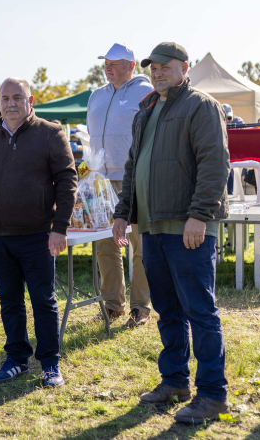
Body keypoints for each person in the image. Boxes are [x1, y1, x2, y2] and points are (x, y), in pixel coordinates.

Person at [111, 42, 230, 423]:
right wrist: (121, 212)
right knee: (168, 310)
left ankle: (212, 394)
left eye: (166, 66)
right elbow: (133, 166)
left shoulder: (201, 105)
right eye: (153, 67)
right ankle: (175, 381)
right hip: (152, 226)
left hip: (189, 226)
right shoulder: (147, 108)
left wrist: (199, 215)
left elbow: (215, 164)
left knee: (200, 312)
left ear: (184, 66)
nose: (158, 71)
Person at [0, 77, 77, 387]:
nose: (10, 103)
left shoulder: (50, 134)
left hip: (39, 235)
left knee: (43, 300)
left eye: (17, 97)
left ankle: (50, 364)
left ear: (30, 101)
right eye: (5, 98)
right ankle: (16, 359)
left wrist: (59, 228)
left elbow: (67, 181)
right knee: (9, 301)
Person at [86, 43, 154, 328]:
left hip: (134, 176)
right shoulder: (96, 95)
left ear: (131, 65)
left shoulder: (145, 91)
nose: (108, 66)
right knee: (104, 243)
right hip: (100, 179)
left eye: (115, 62)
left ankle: (141, 306)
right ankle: (112, 304)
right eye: (106, 62)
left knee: (139, 243)